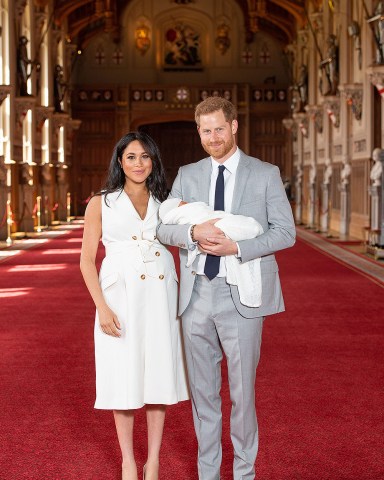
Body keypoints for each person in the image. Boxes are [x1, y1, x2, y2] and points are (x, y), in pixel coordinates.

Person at [157, 97, 296, 480]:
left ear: (234, 126)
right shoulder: (187, 174)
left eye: (219, 128)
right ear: (198, 132)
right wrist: (191, 231)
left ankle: (245, 473)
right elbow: (163, 225)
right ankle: (208, 474)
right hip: (196, 295)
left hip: (241, 296)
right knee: (203, 396)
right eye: (206, 131)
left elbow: (286, 232)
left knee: (242, 394)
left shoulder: (264, 173)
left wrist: (238, 246)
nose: (213, 137)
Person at [80, 132, 189, 480]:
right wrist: (102, 307)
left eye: (145, 156)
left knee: (158, 376)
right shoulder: (101, 202)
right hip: (120, 296)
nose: (138, 163)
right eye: (130, 157)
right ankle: (128, 459)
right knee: (123, 377)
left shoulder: (168, 201)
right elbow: (85, 261)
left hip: (160, 294)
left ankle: (153, 459)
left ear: (154, 161)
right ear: (119, 162)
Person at [159, 198, 264, 307]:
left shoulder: (267, 180)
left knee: (242, 226)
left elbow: (282, 231)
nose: (186, 203)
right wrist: (193, 232)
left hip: (234, 284)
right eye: (182, 204)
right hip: (196, 287)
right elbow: (162, 230)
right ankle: (250, 228)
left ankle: (249, 228)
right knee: (236, 227)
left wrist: (237, 248)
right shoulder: (182, 188)